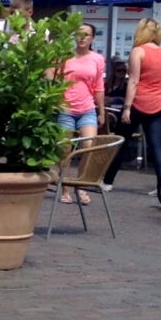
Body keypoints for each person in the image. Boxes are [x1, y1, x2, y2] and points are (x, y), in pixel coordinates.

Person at [103, 18, 161, 195]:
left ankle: (107, 181)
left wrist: (126, 107)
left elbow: (133, 81)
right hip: (158, 104)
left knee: (121, 141)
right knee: (157, 145)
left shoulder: (138, 52)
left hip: (138, 103)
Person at [57, 23, 107, 204]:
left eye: (87, 35)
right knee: (65, 150)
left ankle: (80, 185)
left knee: (89, 146)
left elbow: (99, 87)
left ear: (92, 38)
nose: (82, 38)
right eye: (79, 34)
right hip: (66, 108)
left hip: (87, 108)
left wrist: (101, 111)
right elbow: (55, 82)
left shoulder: (97, 59)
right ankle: (65, 189)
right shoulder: (65, 57)